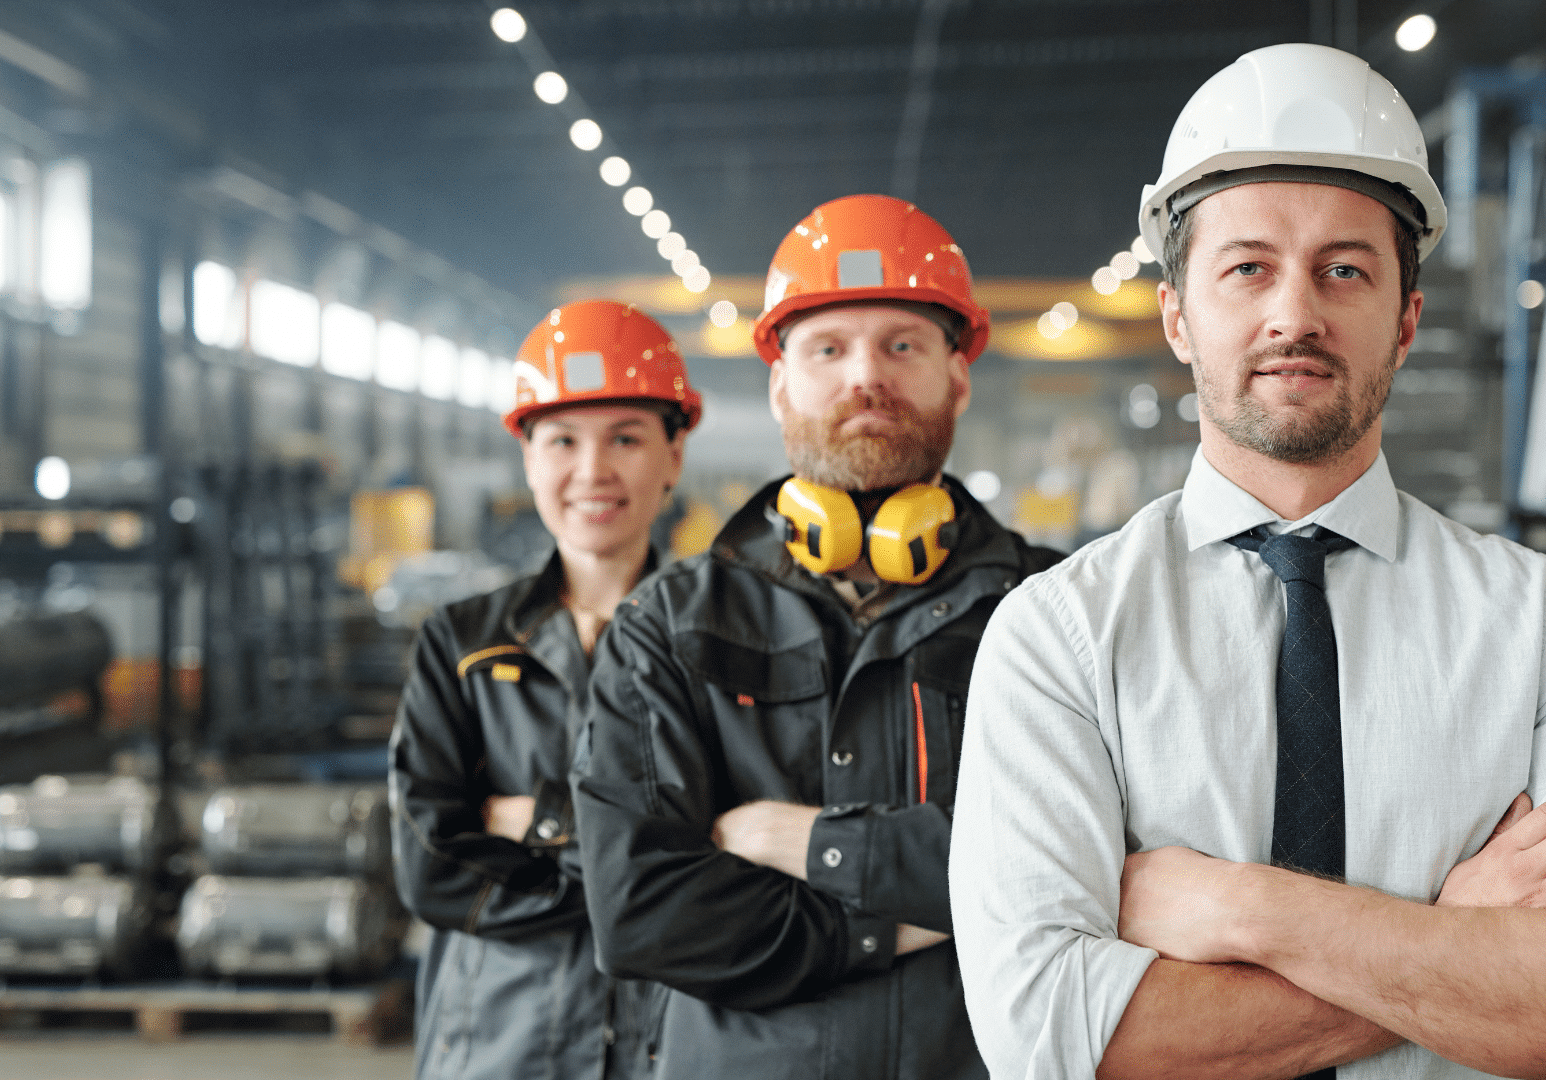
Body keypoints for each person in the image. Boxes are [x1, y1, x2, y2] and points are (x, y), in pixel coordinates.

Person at [949, 43, 1546, 1080]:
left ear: (1403, 321)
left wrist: (1242, 909)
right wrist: (1456, 935)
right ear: (1177, 316)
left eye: (1342, 269)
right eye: (1246, 266)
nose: (1292, 315)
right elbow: (1047, 1037)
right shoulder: (1061, 637)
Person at [570, 194, 1061, 1080]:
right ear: (780, 384)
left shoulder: (1056, 608)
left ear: (958, 374)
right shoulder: (671, 625)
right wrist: (907, 918)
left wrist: (794, 841)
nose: (863, 376)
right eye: (827, 349)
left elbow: (1097, 863)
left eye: (902, 344)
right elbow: (642, 910)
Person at [389, 300, 701, 1080]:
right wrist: (640, 867)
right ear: (528, 458)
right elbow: (431, 864)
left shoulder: (721, 644)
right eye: (563, 440)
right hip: (498, 1043)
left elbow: (740, 867)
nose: (592, 471)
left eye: (625, 438)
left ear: (674, 454)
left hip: (673, 1041)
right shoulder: (462, 642)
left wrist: (540, 821)